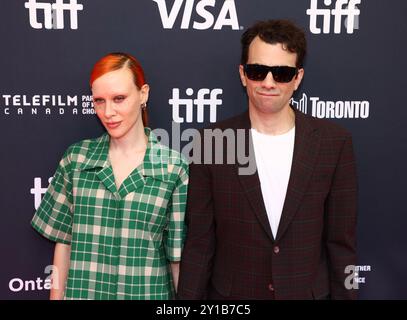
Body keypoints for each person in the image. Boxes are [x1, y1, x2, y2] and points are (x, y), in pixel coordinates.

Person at [177, 19, 358, 300]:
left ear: (297, 78)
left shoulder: (334, 143)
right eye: (258, 71)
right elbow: (200, 243)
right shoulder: (211, 142)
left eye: (282, 73)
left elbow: (341, 246)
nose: (268, 83)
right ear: (243, 74)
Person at [31, 52, 189, 300]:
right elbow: (63, 244)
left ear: (143, 94)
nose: (108, 112)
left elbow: (176, 259)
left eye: (119, 98)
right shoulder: (76, 160)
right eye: (99, 101)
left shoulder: (173, 168)